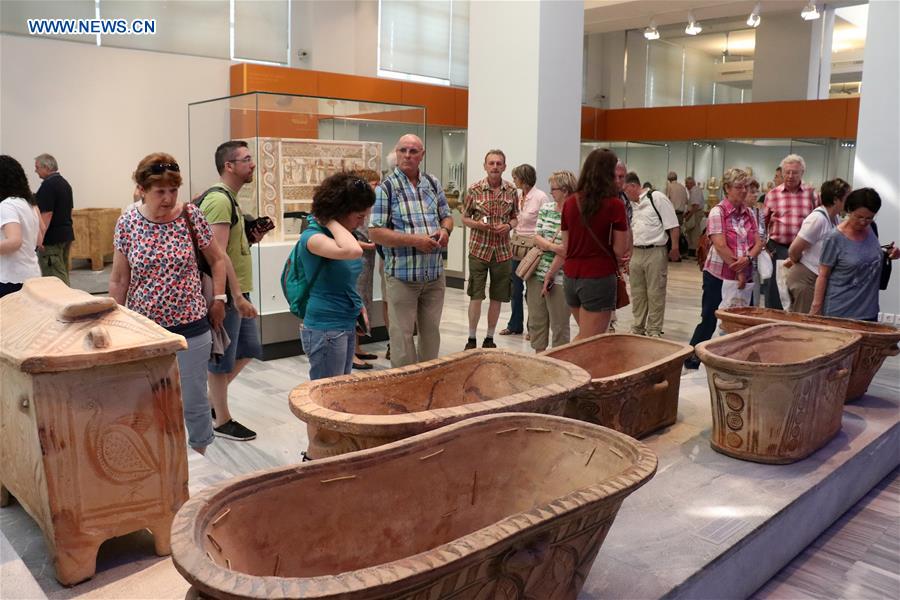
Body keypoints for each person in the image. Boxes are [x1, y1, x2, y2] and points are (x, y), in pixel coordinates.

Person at [110, 153, 228, 454]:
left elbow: (217, 260)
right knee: (147, 399)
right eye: (160, 191)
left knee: (194, 399)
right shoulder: (128, 221)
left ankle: (199, 456)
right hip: (145, 330)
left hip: (190, 327)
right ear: (141, 189)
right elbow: (120, 279)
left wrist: (219, 297)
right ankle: (158, 459)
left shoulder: (191, 216)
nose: (168, 198)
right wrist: (115, 321)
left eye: (173, 190)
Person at [198, 141, 267, 442]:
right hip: (225, 292)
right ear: (229, 166)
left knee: (248, 350)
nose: (252, 164)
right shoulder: (219, 201)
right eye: (246, 159)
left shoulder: (231, 199)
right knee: (222, 357)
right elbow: (218, 253)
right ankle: (221, 419)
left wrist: (251, 238)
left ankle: (211, 404)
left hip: (237, 288)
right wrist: (233, 296)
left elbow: (228, 248)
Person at [369, 134, 453, 367]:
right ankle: (406, 392)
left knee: (431, 335)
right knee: (402, 339)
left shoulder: (433, 183)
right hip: (403, 276)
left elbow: (447, 216)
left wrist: (445, 231)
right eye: (403, 150)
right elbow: (375, 232)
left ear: (422, 155)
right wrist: (415, 241)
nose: (407, 155)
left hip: (434, 275)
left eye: (413, 151)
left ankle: (428, 386)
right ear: (396, 154)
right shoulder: (386, 188)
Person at [297, 172, 375, 379]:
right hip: (326, 328)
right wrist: (329, 218)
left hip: (344, 323)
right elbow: (354, 252)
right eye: (359, 217)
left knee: (340, 390)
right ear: (340, 211)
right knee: (327, 396)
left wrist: (358, 305)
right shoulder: (312, 237)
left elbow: (346, 279)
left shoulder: (339, 237)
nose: (361, 223)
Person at [684, 167, 764, 369]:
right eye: (739, 187)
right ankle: (692, 355)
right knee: (710, 317)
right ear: (727, 188)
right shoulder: (718, 212)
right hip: (719, 275)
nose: (744, 191)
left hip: (744, 275)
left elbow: (758, 242)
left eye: (746, 186)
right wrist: (739, 270)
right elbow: (720, 244)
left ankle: (731, 359)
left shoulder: (749, 213)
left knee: (739, 320)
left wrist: (747, 259)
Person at [561, 149, 628, 340]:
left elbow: (566, 247)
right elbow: (619, 250)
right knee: (588, 343)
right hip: (598, 277)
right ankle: (555, 365)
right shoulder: (615, 205)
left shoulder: (570, 203)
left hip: (571, 276)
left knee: (588, 337)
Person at [811, 188, 899, 321]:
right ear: (848, 210)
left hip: (869, 311)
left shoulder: (872, 228)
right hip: (840, 312)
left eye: (869, 218)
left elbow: (867, 254)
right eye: (859, 217)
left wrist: (889, 254)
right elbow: (823, 275)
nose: (863, 222)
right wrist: (816, 308)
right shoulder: (834, 238)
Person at [462, 150, 518, 350]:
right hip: (479, 249)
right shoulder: (474, 189)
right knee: (476, 295)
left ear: (504, 166)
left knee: (498, 295)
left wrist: (509, 226)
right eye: (491, 163)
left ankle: (489, 337)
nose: (495, 166)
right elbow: (465, 217)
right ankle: (471, 338)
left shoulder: (511, 191)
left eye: (498, 163)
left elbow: (515, 216)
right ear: (485, 166)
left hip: (502, 251)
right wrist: (478, 225)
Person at [623, 171, 680, 337]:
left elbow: (673, 225)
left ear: (634, 186)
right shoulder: (629, 206)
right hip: (635, 252)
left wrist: (674, 248)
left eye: (626, 189)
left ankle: (654, 329)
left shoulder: (657, 198)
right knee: (637, 292)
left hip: (655, 251)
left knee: (655, 292)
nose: (624, 194)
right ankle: (638, 326)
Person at [784, 178, 849, 314]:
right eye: (847, 197)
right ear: (836, 200)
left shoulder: (834, 218)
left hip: (816, 276)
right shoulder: (818, 219)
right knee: (804, 323)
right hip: (805, 277)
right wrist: (800, 264)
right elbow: (794, 250)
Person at [526, 170, 574, 352]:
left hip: (561, 277)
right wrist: (554, 247)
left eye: (554, 189)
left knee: (560, 325)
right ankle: (539, 358)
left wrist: (551, 273)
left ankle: (559, 362)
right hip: (536, 272)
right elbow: (536, 237)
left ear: (565, 190)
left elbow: (567, 250)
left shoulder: (574, 212)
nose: (551, 192)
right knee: (537, 321)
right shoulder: (546, 208)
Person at [763, 154, 818, 309]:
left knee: (799, 291)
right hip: (778, 248)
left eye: (795, 172)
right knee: (775, 291)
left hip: (804, 251)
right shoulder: (772, 195)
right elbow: (763, 223)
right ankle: (772, 323)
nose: (790, 176)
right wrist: (765, 248)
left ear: (802, 173)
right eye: (787, 172)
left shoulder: (812, 195)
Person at [500, 163, 548, 338]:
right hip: (516, 246)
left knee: (532, 290)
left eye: (515, 178)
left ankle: (534, 327)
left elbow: (545, 223)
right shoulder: (518, 196)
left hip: (532, 248)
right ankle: (514, 325)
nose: (514, 181)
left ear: (523, 178)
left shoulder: (540, 197)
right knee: (515, 288)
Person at [350, 168, 381, 370]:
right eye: (374, 184)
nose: (377, 188)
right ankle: (351, 353)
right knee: (355, 303)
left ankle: (357, 348)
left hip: (367, 262)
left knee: (363, 301)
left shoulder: (367, 207)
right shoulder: (352, 210)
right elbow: (346, 239)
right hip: (356, 261)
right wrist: (368, 246)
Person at [0, 155, 42, 297]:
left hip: (11, 279)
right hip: (31, 275)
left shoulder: (6, 205)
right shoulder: (28, 204)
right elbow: (39, 240)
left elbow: (14, 241)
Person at [33, 153, 74, 285]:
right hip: (65, 235)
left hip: (52, 239)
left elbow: (47, 214)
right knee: (62, 271)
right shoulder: (64, 183)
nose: (35, 171)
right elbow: (70, 210)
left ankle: (65, 303)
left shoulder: (48, 186)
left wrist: (40, 237)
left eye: (37, 167)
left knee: (55, 278)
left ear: (46, 167)